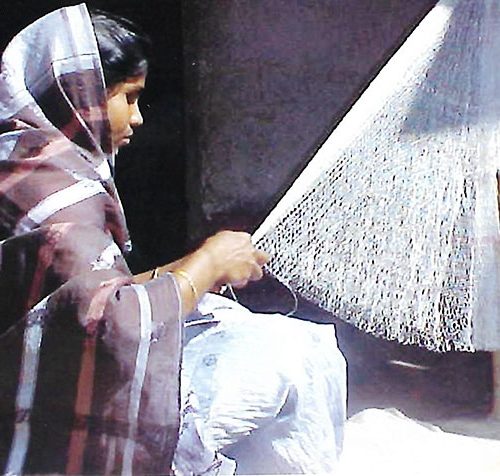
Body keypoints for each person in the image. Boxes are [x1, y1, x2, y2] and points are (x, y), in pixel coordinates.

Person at [0, 5, 346, 475]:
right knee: (301, 354)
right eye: (128, 97)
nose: (139, 118)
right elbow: (104, 323)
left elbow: (66, 300)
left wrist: (198, 273)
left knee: (237, 323)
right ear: (80, 96)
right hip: (42, 425)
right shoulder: (50, 187)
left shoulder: (22, 164)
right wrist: (206, 263)